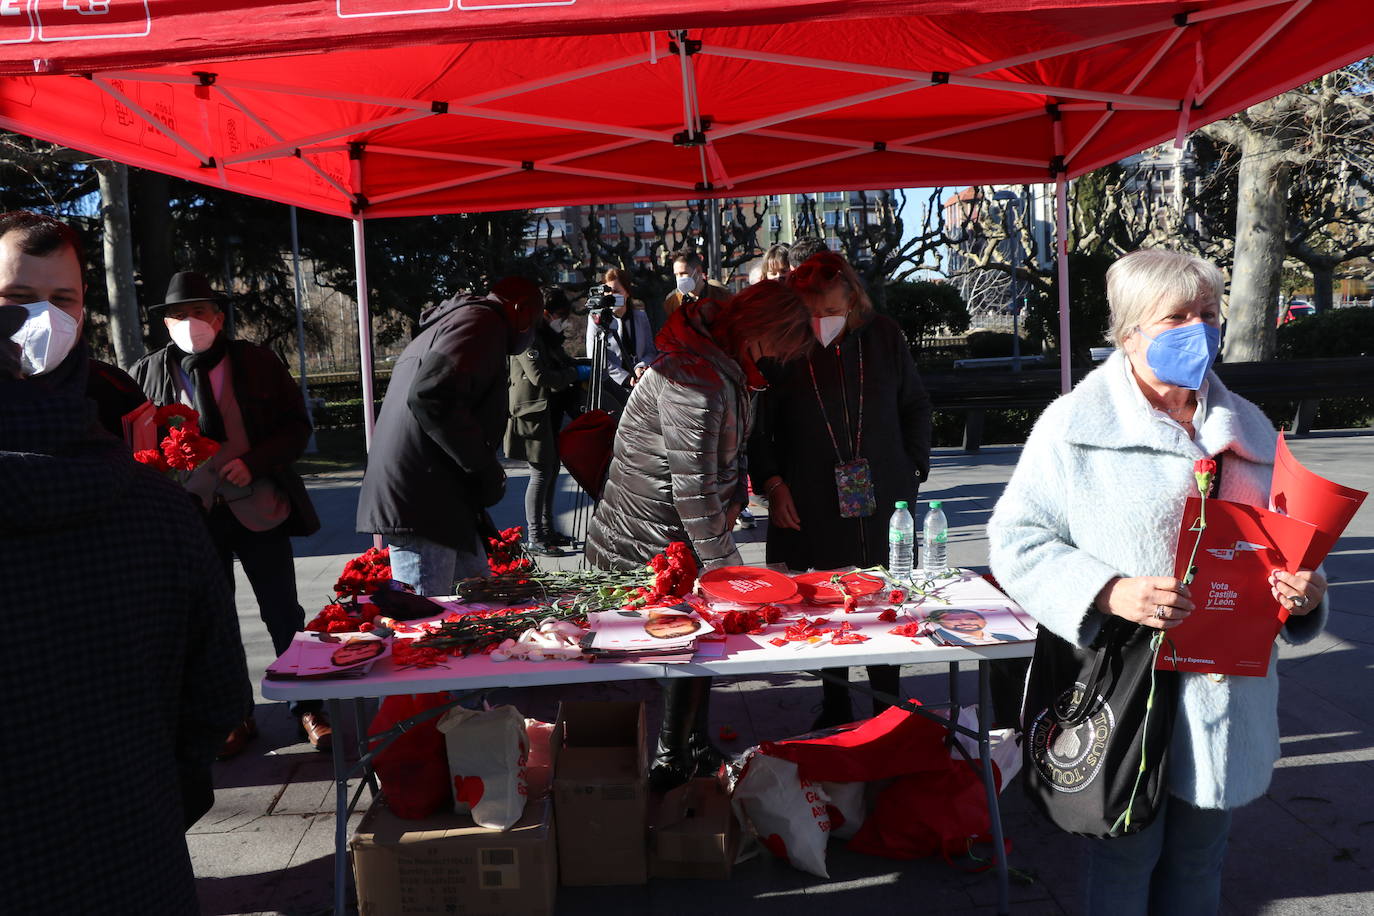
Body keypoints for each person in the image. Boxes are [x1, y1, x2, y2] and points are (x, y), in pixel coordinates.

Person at [987, 249, 1328, 916]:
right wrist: (1110, 591)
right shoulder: (1075, 426)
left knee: (1201, 857)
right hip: (1126, 686)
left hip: (1226, 691)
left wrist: (1304, 592)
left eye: (1207, 313)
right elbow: (1015, 540)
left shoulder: (1250, 428)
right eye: (1176, 317)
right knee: (1124, 859)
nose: (1198, 330)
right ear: (1130, 332)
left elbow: (1288, 542)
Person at [0, 306, 251, 914]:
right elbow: (216, 695)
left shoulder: (250, 365)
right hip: (136, 847)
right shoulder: (160, 511)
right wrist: (161, 798)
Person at [586, 280, 814, 790]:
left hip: (679, 526)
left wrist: (731, 513)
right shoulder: (696, 376)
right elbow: (692, 490)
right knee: (682, 639)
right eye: (784, 342)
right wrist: (731, 575)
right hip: (651, 532)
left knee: (700, 637)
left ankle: (690, 742)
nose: (783, 355)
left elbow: (724, 460)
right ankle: (671, 758)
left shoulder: (726, 365)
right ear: (762, 329)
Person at [131, 270, 326, 756]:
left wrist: (254, 462)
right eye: (179, 315)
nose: (189, 322)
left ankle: (309, 706)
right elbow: (137, 446)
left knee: (282, 611)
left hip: (258, 506)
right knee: (213, 620)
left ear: (218, 318)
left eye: (199, 312)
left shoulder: (256, 362)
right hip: (193, 514)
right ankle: (235, 712)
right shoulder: (147, 373)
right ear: (166, 324)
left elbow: (295, 428)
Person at [749, 249, 932, 728]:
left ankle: (888, 705)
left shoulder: (884, 336)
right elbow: (759, 428)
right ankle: (833, 703)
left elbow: (914, 403)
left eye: (832, 312)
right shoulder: (785, 347)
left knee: (883, 592)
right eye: (813, 313)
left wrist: (914, 466)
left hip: (883, 487)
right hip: (811, 492)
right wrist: (772, 483)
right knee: (827, 598)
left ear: (853, 303)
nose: (823, 322)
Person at [358, 276, 540, 595]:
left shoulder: (465, 321)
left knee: (478, 607)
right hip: (425, 499)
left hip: (439, 498)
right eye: (533, 322)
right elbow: (431, 394)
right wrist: (483, 466)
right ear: (519, 308)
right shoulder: (482, 321)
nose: (531, 333)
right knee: (429, 624)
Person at [0, 210, 147, 439]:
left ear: (82, 299)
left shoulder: (117, 393)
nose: (45, 318)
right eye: (20, 296)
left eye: (62, 299)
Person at [505, 287, 582, 556]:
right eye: (560, 315)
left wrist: (575, 368)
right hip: (532, 414)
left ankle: (547, 530)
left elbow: (559, 363)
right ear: (545, 313)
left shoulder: (544, 336)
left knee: (550, 471)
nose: (563, 320)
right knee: (540, 474)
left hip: (546, 412)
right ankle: (536, 536)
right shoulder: (527, 337)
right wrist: (573, 374)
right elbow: (540, 377)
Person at [584, 267, 655, 400]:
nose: (611, 296)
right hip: (611, 387)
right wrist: (625, 377)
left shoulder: (640, 317)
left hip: (642, 385)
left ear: (627, 293)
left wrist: (640, 368)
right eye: (608, 292)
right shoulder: (596, 319)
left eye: (616, 291)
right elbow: (595, 357)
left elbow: (650, 351)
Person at [661, 249, 731, 320]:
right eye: (676, 274)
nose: (679, 278)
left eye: (683, 273)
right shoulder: (672, 302)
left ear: (698, 271)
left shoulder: (721, 296)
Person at [932, 609, 1019, 646]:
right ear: (939, 622)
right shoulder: (938, 638)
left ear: (984, 621)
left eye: (972, 619)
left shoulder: (1008, 637)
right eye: (953, 619)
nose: (964, 622)